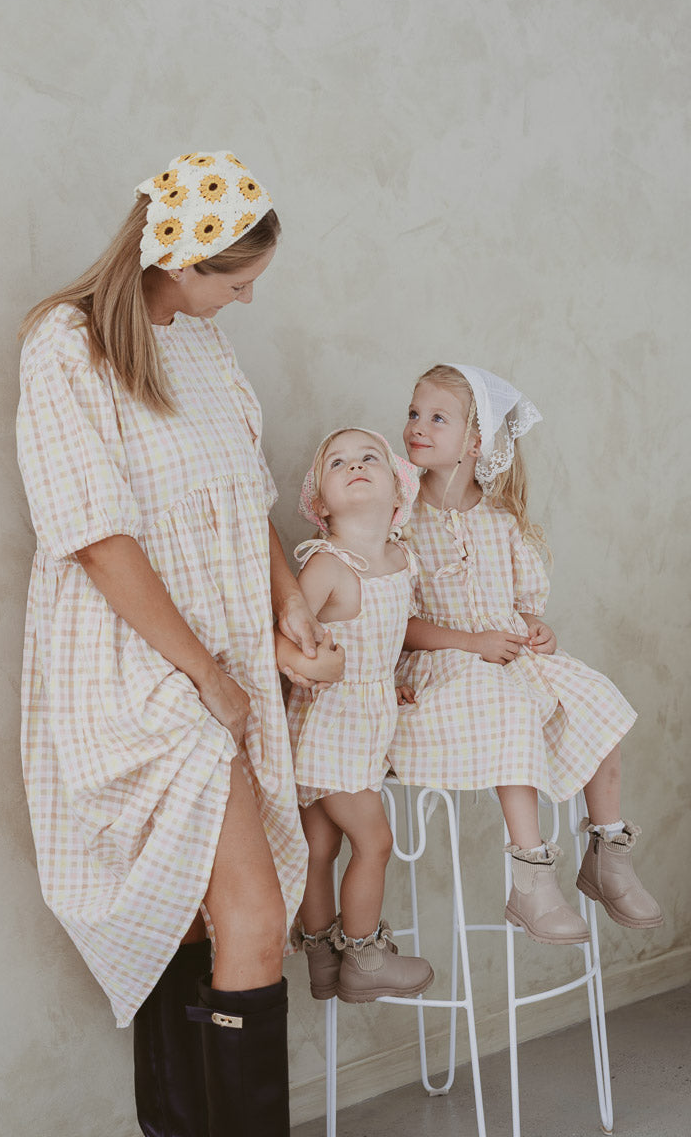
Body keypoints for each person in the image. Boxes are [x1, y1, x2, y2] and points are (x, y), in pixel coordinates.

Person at [16, 150, 329, 1137]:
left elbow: (247, 498)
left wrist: (287, 608)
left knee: (202, 925)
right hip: (137, 665)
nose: (240, 302)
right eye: (234, 283)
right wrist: (208, 678)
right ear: (183, 261)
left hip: (221, 654)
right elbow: (98, 540)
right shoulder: (65, 347)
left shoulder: (199, 347)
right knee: (253, 919)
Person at [391, 363, 662, 945]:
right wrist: (472, 643)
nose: (417, 426)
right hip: (443, 666)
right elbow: (397, 623)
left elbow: (521, 605)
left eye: (438, 417)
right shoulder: (400, 518)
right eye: (415, 413)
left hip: (507, 654)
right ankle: (531, 877)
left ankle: (607, 851)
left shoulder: (501, 517)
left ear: (476, 440)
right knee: (509, 711)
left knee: (597, 698)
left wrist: (539, 633)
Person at [277, 428, 436, 1003]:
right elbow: (279, 638)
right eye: (337, 463)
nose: (355, 465)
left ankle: (322, 958)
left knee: (320, 847)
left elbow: (389, 634)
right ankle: (364, 956)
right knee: (375, 841)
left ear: (399, 487)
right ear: (320, 502)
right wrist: (313, 665)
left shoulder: (399, 558)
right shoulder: (328, 565)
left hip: (364, 717)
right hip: (331, 725)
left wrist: (388, 682)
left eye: (370, 456)